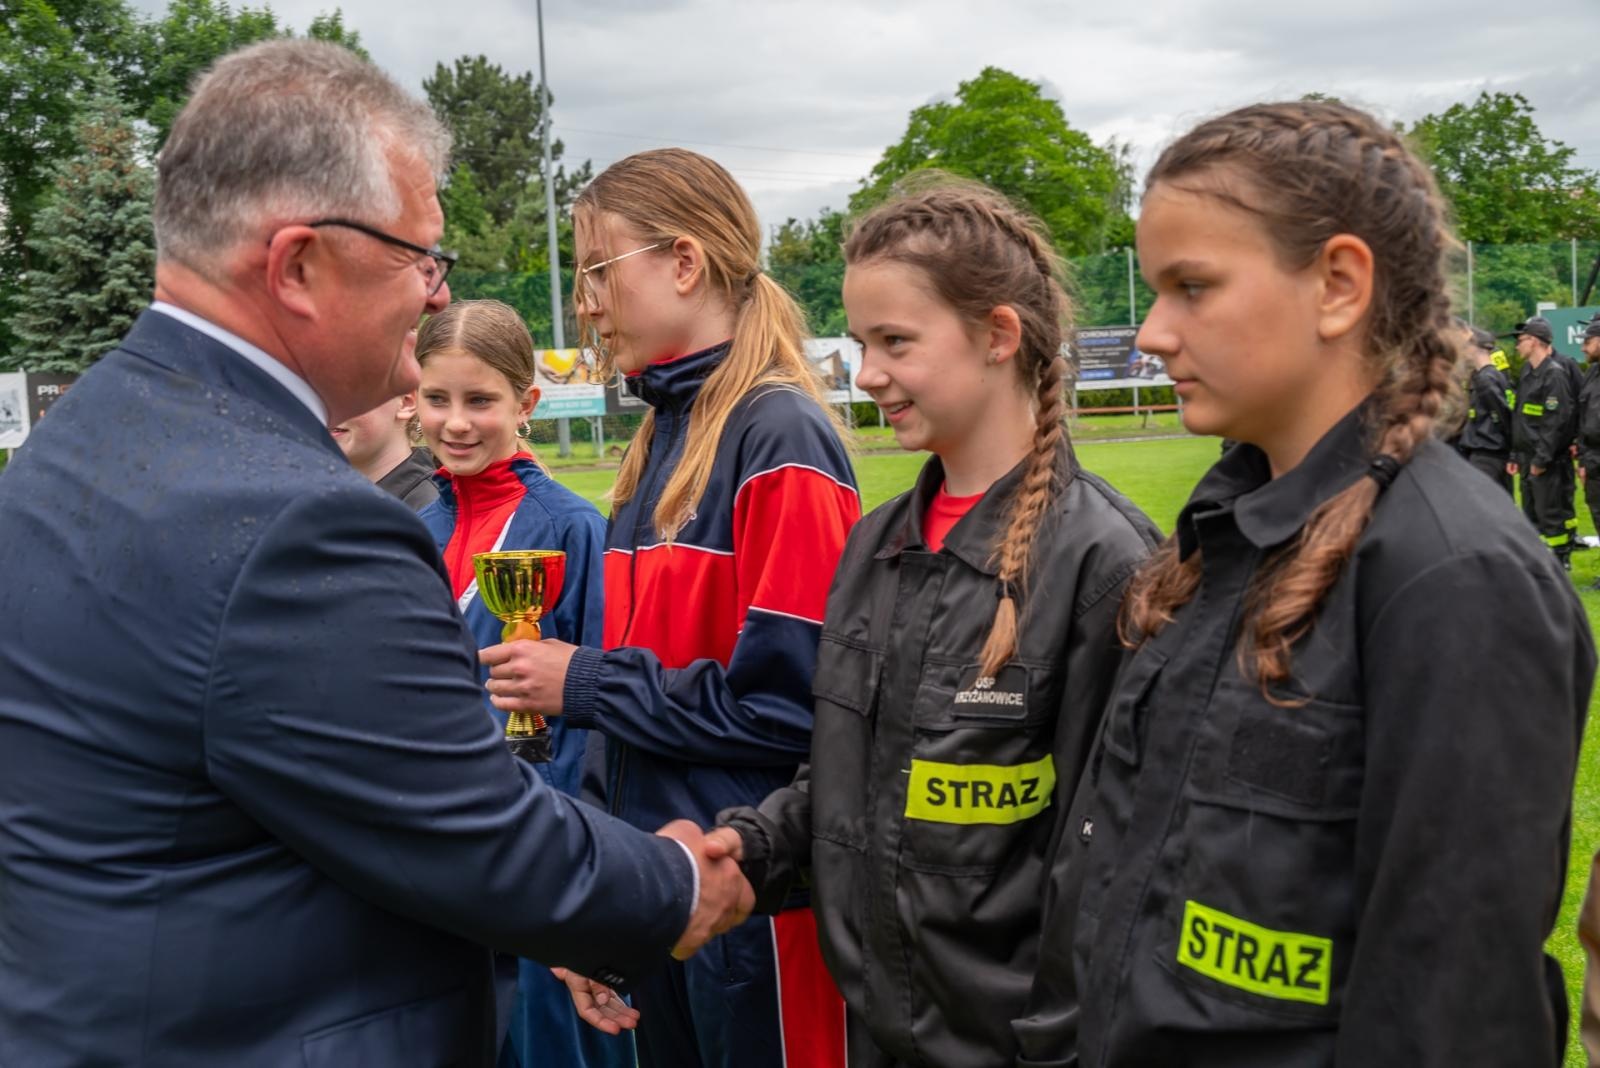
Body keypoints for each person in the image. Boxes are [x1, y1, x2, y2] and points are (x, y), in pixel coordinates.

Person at [0, 40, 750, 1068]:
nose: (438, 296)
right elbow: (471, 834)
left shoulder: (73, 444)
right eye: (419, 257)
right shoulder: (294, 519)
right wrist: (679, 881)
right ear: (298, 265)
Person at [1015, 100, 1594, 1067]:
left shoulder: (1453, 577)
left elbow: (1450, 1012)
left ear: (1337, 285)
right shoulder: (1228, 534)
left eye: (1191, 287)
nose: (1152, 332)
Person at [703, 179, 1158, 1068]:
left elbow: (1112, 863)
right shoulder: (877, 545)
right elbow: (846, 781)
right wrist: (748, 850)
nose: (867, 374)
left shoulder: (1106, 562)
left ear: (998, 335)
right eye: (861, 344)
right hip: (877, 1031)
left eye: (895, 342)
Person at [481, 148, 861, 1068]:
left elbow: (797, 713)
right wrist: (606, 898)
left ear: (684, 262)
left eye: (598, 271)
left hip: (757, 905)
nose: (585, 303)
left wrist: (587, 682)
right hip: (665, 896)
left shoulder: (780, 435)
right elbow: (630, 731)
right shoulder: (660, 434)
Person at [411, 299, 630, 1068]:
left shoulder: (572, 529)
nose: (456, 422)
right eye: (437, 398)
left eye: (480, 400)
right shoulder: (414, 533)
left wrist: (581, 882)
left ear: (526, 402)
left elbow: (606, 711)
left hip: (546, 867)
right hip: (438, 866)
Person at [1509, 315, 1580, 568]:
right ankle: (1538, 562)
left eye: (1522, 340)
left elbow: (1555, 423)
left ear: (1535, 341)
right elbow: (1521, 417)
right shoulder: (1528, 372)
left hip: (1544, 460)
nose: (1517, 345)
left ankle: (1560, 561)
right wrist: (1516, 455)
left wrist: (1541, 460)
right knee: (1531, 513)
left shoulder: (1554, 375)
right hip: (1526, 456)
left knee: (1550, 513)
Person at [331, 391, 439, 509]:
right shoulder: (330, 495)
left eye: (346, 396)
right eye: (319, 396)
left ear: (405, 403)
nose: (325, 410)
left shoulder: (430, 510)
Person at [1455, 322, 1513, 494]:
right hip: (1487, 452)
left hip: (1488, 453)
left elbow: (1503, 416)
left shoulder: (1486, 379)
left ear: (1476, 348)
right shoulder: (1487, 376)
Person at [1576, 316, 1600, 589]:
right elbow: (1583, 419)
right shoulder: (1591, 373)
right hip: (1593, 457)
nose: (1583, 347)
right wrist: (1582, 459)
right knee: (1597, 514)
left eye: (1588, 341)